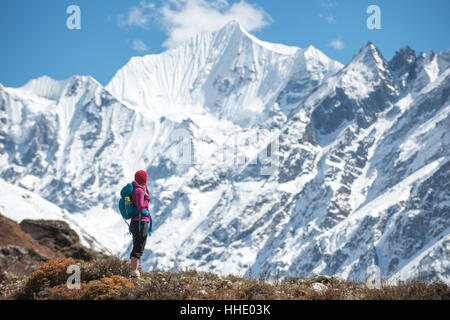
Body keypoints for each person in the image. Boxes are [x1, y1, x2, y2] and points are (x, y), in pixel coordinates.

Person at [129, 170, 151, 278]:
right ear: (144, 180)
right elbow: (141, 207)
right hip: (140, 222)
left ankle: (135, 272)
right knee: (138, 248)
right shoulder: (139, 191)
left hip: (137, 222)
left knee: (137, 247)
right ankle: (134, 273)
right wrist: (147, 198)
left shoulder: (137, 189)